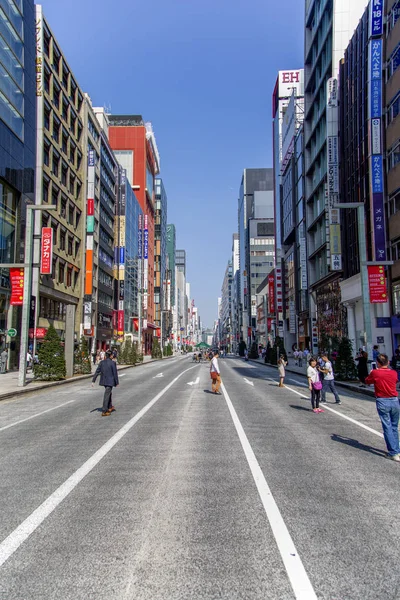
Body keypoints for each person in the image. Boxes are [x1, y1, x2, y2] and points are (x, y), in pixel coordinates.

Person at [365, 354, 400, 461]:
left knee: (387, 426)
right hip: (394, 400)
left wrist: (372, 373)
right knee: (394, 426)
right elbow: (396, 381)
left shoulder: (375, 372)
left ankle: (393, 452)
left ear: (378, 363)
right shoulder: (393, 372)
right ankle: (397, 450)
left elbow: (367, 381)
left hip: (382, 400)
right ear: (388, 362)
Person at [92, 349, 119, 416]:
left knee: (109, 393)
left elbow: (97, 371)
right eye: (112, 355)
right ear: (110, 356)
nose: (113, 356)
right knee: (107, 395)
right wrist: (117, 382)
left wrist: (93, 380)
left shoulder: (102, 362)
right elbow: (115, 373)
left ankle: (110, 406)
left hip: (104, 381)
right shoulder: (113, 363)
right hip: (110, 381)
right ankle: (104, 410)